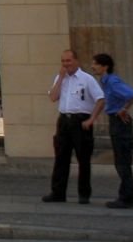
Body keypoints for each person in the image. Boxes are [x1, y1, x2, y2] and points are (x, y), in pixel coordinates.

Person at [44, 47, 102, 204]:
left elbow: (100, 99)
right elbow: (53, 97)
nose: (65, 64)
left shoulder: (87, 79)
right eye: (63, 61)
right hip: (64, 120)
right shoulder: (60, 78)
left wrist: (91, 119)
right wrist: (61, 78)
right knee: (61, 157)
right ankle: (58, 192)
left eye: (68, 61)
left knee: (83, 158)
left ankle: (84, 194)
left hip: (81, 120)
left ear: (76, 61)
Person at [93, 53, 133, 209]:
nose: (93, 66)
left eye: (96, 64)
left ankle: (127, 197)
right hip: (116, 121)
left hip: (119, 122)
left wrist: (123, 109)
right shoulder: (106, 82)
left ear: (104, 66)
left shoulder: (112, 81)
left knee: (122, 162)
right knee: (121, 161)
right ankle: (132, 195)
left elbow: (131, 94)